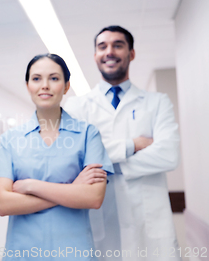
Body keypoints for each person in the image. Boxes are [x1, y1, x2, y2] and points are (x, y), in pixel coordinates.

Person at [65, 26, 181, 260]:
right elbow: (73, 159)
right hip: (100, 226)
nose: (109, 51)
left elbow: (168, 154)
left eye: (118, 45)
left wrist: (105, 165)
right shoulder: (76, 107)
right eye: (102, 46)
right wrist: (132, 145)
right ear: (95, 55)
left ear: (132, 53)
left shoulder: (156, 102)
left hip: (149, 229)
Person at [0, 53, 114, 260]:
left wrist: (31, 186)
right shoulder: (10, 140)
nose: (45, 85)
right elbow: (4, 204)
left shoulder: (88, 134)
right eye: (37, 78)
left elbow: (94, 198)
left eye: (54, 78)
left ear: (66, 86)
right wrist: (73, 190)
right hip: (23, 253)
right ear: (28, 85)